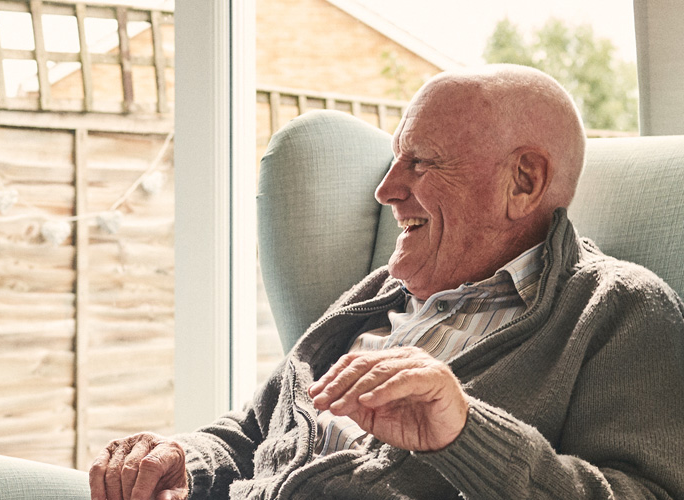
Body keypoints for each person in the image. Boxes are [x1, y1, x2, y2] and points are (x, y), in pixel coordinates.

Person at [90, 64, 684, 499]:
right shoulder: (377, 293)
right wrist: (182, 459)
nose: (387, 189)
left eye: (420, 162)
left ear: (524, 181)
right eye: (395, 159)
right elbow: (252, 430)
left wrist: (466, 430)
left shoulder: (618, 309)